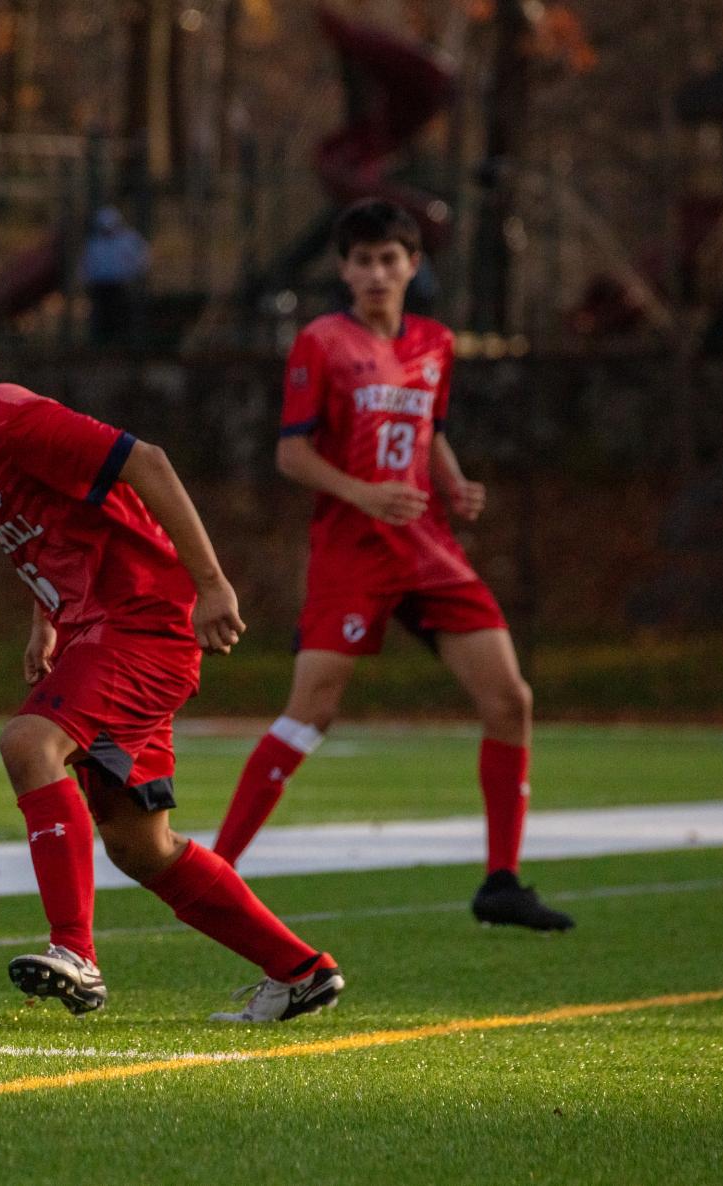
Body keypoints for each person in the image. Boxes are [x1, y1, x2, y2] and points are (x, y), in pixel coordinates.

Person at [0, 280, 343, 1023]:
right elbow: (60, 532)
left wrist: (211, 586)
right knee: (141, 848)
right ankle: (301, 971)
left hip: (139, 628)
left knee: (27, 743)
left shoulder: (11, 421)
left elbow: (148, 462)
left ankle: (74, 953)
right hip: (100, 630)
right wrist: (45, 616)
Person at [211, 199, 573, 932]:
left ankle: (500, 881)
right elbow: (291, 453)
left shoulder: (436, 343)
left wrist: (452, 481)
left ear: (413, 265)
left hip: (429, 548)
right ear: (343, 270)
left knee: (511, 700)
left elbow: (426, 431)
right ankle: (215, 873)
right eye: (362, 260)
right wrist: (363, 495)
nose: (376, 272)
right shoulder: (321, 342)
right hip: (353, 551)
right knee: (310, 710)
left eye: (389, 259)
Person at [80, 206, 148, 347]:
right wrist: (87, 280)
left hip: (122, 285)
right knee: (101, 315)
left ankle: (123, 342)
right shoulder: (95, 243)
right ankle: (101, 344)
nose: (108, 231)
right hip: (100, 286)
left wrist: (135, 274)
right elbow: (87, 265)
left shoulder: (129, 239)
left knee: (121, 314)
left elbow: (142, 259)